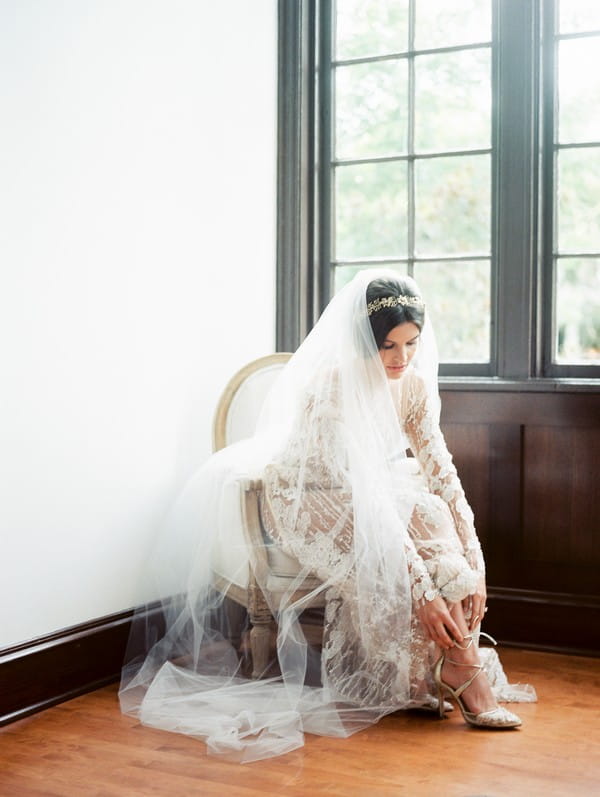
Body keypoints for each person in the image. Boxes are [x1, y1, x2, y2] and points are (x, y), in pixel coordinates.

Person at [120, 269, 535, 763]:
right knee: (415, 525)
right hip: (311, 497)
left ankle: (447, 663)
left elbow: (440, 468)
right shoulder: (334, 385)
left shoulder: (415, 385)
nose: (402, 358)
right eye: (389, 347)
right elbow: (359, 495)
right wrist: (421, 589)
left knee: (431, 510)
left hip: (370, 490)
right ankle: (462, 669)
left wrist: (476, 559)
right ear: (364, 341)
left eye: (412, 343)